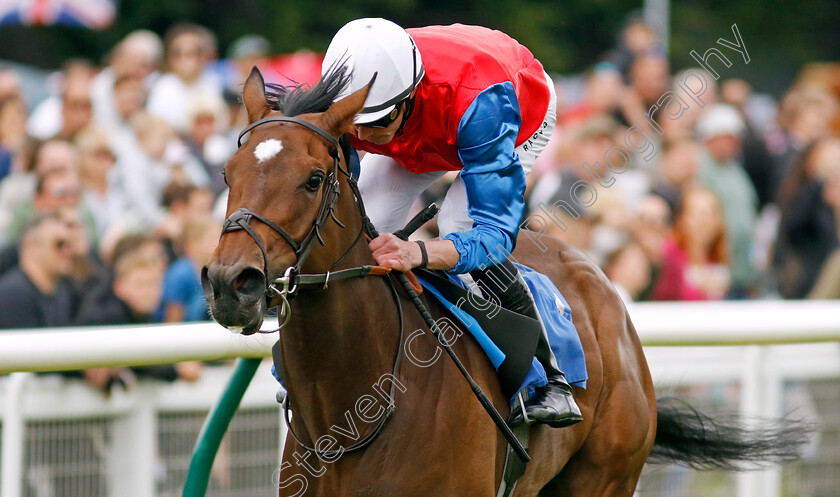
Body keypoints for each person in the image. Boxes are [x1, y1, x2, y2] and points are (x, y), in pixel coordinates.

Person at [322, 18, 581, 427]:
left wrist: (417, 252)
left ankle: (549, 377)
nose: (360, 135)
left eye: (374, 123)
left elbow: (495, 238)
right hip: (431, 116)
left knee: (457, 224)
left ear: (407, 97)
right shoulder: (350, 105)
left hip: (512, 107)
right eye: (352, 121)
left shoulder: (484, 106)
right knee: (363, 220)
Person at [0, 213, 76, 328]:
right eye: (59, 244)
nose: (67, 251)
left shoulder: (61, 292)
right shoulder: (11, 295)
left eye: (69, 245)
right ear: (30, 246)